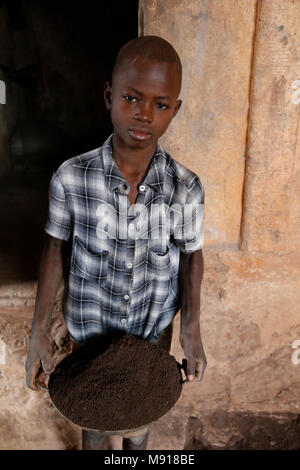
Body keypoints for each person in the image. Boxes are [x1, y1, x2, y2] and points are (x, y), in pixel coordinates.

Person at [25, 35, 207, 450]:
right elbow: (54, 248)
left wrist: (192, 328)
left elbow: (192, 254)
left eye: (160, 105)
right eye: (131, 97)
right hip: (90, 329)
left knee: (138, 429)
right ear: (109, 96)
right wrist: (38, 331)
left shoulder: (186, 188)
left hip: (151, 329)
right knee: (93, 422)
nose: (144, 115)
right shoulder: (72, 177)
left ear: (174, 111)